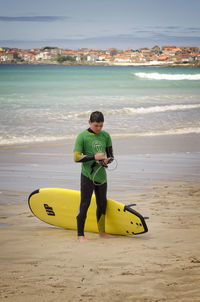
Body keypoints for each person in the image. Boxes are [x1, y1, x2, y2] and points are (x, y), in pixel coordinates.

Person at [73, 111, 114, 242]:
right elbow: (76, 157)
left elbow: (111, 156)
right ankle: (80, 235)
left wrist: (107, 161)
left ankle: (101, 232)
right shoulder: (82, 137)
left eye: (101, 126)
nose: (98, 128)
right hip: (87, 175)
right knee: (85, 203)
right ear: (89, 122)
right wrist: (94, 157)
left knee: (102, 203)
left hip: (101, 175)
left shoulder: (106, 135)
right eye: (96, 125)